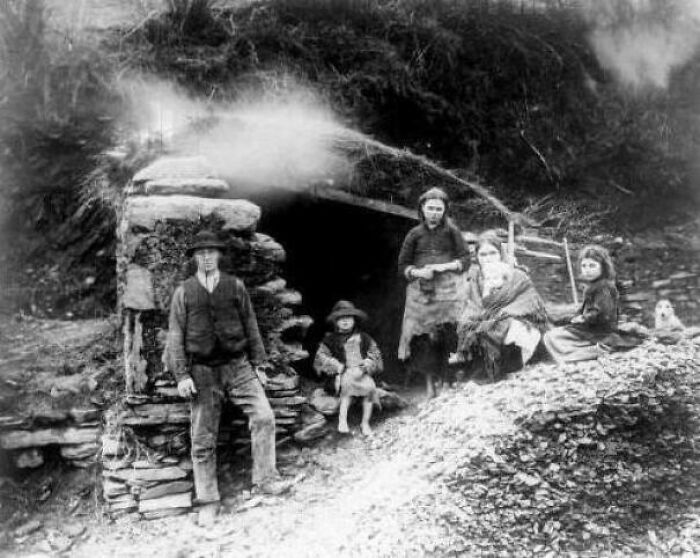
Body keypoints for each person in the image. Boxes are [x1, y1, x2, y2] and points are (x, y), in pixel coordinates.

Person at [164, 230, 290, 527]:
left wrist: (259, 363)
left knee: (264, 417)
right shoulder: (184, 291)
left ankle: (266, 480)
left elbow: (250, 323)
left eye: (211, 251)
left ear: (219, 254)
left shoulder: (235, 286)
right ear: (195, 257)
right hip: (202, 372)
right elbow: (175, 335)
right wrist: (181, 374)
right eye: (201, 252)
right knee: (203, 438)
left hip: (238, 366)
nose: (206, 257)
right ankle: (208, 501)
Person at [397, 187, 469, 398]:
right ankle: (429, 386)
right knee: (424, 340)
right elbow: (402, 266)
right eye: (431, 208)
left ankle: (447, 381)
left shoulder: (452, 231)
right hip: (421, 296)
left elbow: (466, 259)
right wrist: (418, 271)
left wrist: (445, 267)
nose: (435, 212)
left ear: (445, 210)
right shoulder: (414, 234)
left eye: (439, 208)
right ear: (422, 209)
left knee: (448, 336)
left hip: (448, 293)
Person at [456, 231, 548, 381]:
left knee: (512, 327)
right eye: (483, 255)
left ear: (501, 254)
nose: (488, 258)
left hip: (517, 320)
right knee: (469, 326)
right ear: (477, 258)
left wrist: (504, 313)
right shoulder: (474, 280)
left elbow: (530, 301)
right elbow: (472, 305)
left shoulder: (517, 275)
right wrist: (478, 317)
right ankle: (487, 369)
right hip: (486, 320)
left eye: (493, 253)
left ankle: (513, 367)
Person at [543, 244, 630, 363]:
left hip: (598, 330)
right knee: (552, 335)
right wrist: (571, 317)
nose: (587, 270)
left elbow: (602, 313)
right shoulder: (592, 286)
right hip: (590, 328)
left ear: (603, 267)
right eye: (584, 266)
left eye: (592, 265)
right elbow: (585, 309)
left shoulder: (605, 287)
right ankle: (583, 352)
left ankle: (588, 353)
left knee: (552, 337)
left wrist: (583, 318)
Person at [313, 300, 383, 436]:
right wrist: (336, 366)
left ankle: (365, 422)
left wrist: (367, 364)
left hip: (361, 373)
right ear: (335, 321)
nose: (345, 321)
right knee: (347, 389)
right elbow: (321, 356)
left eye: (349, 318)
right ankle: (342, 420)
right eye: (341, 318)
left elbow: (375, 353)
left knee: (370, 389)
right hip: (341, 375)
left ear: (354, 320)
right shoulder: (330, 340)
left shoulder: (364, 337)